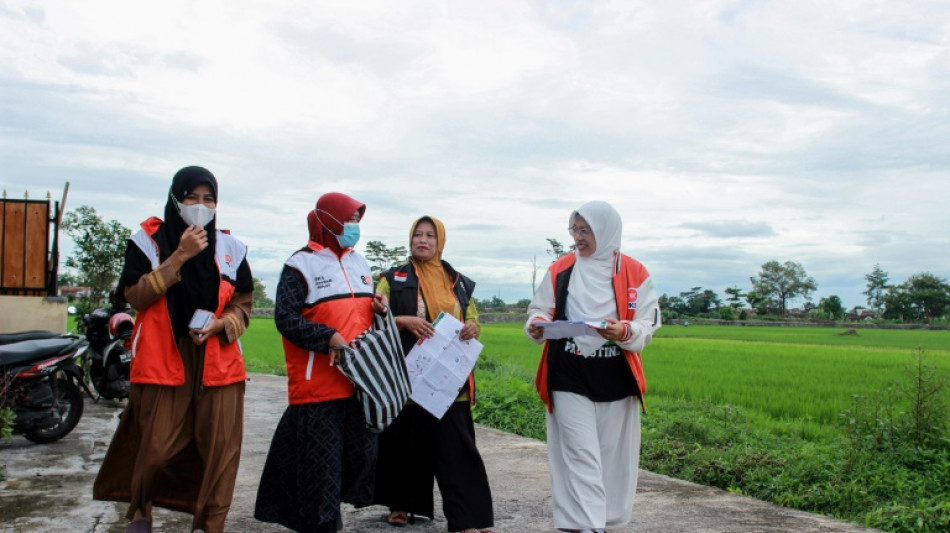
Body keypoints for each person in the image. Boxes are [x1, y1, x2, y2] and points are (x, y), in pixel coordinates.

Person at [93, 166, 254, 533]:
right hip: (164, 359)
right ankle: (141, 511)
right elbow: (135, 296)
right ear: (175, 199)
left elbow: (242, 303)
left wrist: (221, 325)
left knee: (220, 450)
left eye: (209, 199)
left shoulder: (231, 247)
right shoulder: (147, 242)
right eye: (191, 198)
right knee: (155, 448)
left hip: (217, 359)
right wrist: (178, 257)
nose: (201, 206)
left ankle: (210, 524)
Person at [524, 201, 661, 533]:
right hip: (568, 370)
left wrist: (624, 331)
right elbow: (540, 309)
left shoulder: (635, 272)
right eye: (575, 230)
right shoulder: (562, 268)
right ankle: (587, 524)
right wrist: (537, 324)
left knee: (612, 454)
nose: (578, 238)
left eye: (586, 231)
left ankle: (604, 518)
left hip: (615, 372)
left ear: (606, 231)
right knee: (579, 449)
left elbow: (649, 323)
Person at [254, 192, 387, 533]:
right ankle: (323, 524)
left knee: (360, 460)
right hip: (320, 388)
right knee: (322, 473)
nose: (354, 226)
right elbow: (284, 317)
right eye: (349, 219)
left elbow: (360, 310)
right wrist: (327, 337)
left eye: (358, 220)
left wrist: (378, 306)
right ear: (328, 220)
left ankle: (329, 517)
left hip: (359, 384)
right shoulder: (300, 264)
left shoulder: (359, 263)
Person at [373, 215, 494, 533]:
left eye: (430, 236)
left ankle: (468, 519)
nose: (422, 240)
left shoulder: (457, 280)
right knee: (404, 444)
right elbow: (373, 316)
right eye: (417, 235)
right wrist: (403, 321)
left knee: (457, 448)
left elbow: (473, 317)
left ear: (440, 242)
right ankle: (401, 504)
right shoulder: (392, 277)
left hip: (450, 380)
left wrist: (472, 327)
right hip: (407, 375)